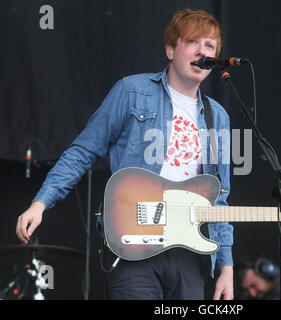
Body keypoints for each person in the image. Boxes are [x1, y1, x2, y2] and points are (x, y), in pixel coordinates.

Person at [15, 9, 234, 300]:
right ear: (170, 49)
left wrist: (226, 266)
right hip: (133, 243)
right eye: (193, 42)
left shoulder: (217, 116)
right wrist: (41, 202)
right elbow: (84, 150)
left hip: (189, 253)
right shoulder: (132, 91)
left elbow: (219, 196)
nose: (202, 51)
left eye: (210, 47)